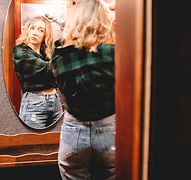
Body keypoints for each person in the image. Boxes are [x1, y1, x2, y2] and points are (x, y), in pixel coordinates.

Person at [50, 0, 116, 179]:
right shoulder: (113, 53)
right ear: (104, 20)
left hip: (73, 132)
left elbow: (64, 45)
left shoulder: (59, 57)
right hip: (109, 130)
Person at [12, 16, 63, 129]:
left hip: (55, 102)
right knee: (32, 142)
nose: (35, 33)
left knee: (57, 141)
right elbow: (49, 70)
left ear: (45, 35)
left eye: (41, 30)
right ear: (28, 30)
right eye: (33, 28)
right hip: (34, 104)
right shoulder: (20, 52)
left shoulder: (46, 54)